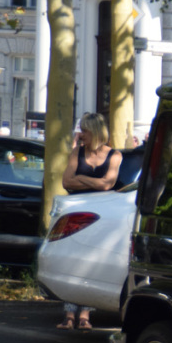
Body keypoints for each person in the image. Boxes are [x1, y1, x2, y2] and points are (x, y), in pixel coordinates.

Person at [58, 113, 122, 330]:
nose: (80, 134)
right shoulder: (77, 151)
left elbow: (108, 185)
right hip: (77, 213)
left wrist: (81, 179)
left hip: (102, 216)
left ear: (94, 131)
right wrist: (94, 181)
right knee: (72, 262)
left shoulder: (115, 155)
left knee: (91, 263)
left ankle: (85, 314)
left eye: (84, 130)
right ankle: (68, 315)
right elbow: (67, 181)